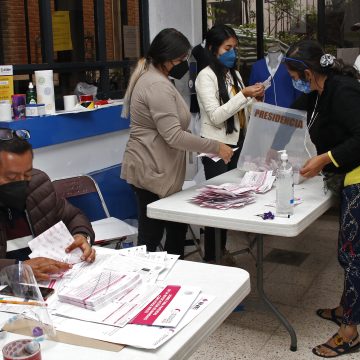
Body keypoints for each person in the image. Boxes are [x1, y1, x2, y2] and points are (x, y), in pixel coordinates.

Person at [120, 28, 233, 259]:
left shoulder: (157, 78)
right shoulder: (156, 85)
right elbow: (174, 136)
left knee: (175, 228)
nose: (184, 64)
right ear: (166, 58)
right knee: (151, 239)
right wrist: (216, 147)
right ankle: (154, 284)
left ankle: (174, 275)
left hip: (158, 169)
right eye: (181, 60)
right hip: (151, 170)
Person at [284, 40, 360, 357]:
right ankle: (346, 309)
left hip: (358, 177)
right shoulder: (320, 92)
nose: (294, 81)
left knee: (354, 257)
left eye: (294, 75)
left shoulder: (342, 91)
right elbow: (288, 112)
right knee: (347, 252)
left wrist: (325, 159)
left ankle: (350, 332)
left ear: (308, 71)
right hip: (349, 175)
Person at [195, 24, 264, 264]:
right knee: (218, 202)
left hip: (237, 142)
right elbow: (215, 116)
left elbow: (242, 110)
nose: (233, 53)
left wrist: (254, 99)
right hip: (216, 146)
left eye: (235, 47)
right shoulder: (205, 76)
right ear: (213, 49)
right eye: (227, 48)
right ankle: (212, 256)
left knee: (231, 199)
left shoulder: (232, 74)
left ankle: (221, 250)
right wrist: (243, 96)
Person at [0, 129, 96, 280]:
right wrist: (16, 270)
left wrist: (81, 235)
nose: (22, 182)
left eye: (26, 173)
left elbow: (73, 216)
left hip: (51, 284)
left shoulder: (38, 184)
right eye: (12, 176)